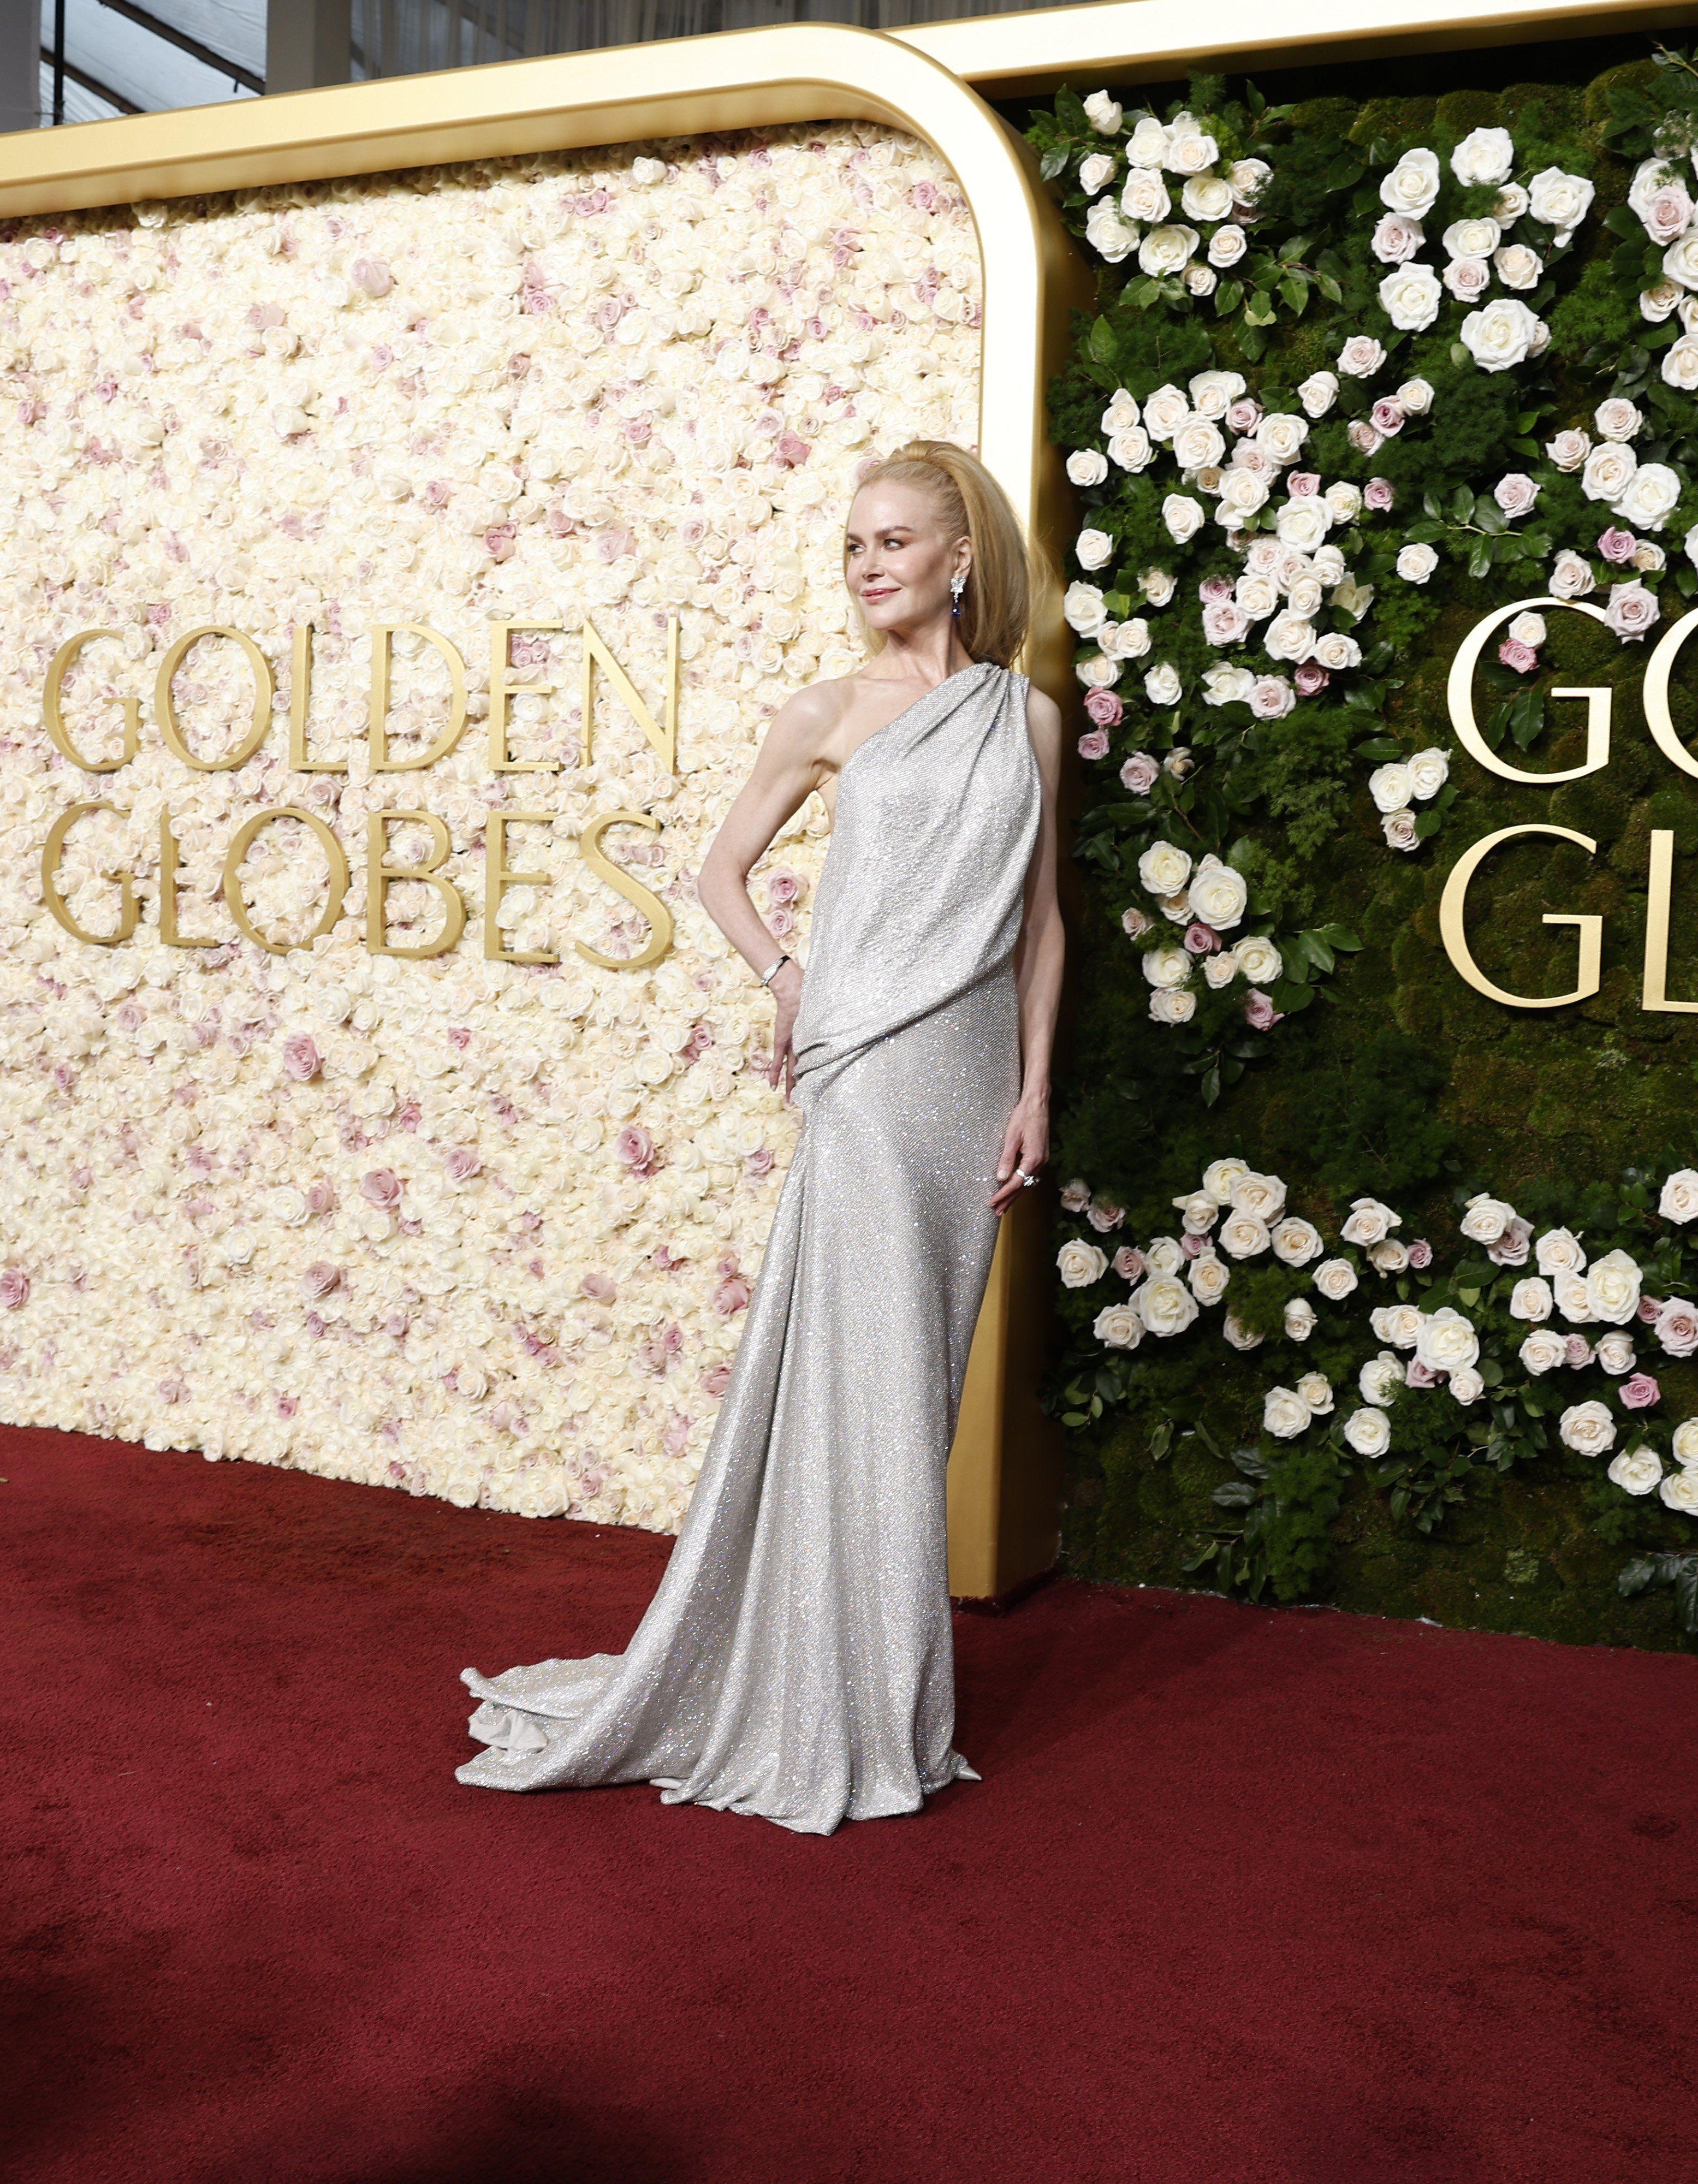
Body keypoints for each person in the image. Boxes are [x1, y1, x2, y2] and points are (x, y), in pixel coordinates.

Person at [456, 440, 1065, 1835]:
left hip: (970, 1086)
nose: (867, 565)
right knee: (865, 1382)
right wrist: (790, 980)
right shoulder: (826, 709)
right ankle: (816, 1701)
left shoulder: (1021, 719)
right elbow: (719, 870)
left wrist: (1036, 1088)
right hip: (861, 1076)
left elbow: (1041, 926)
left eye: (895, 540)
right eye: (853, 543)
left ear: (959, 555)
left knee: (916, 1387)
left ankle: (879, 1696)